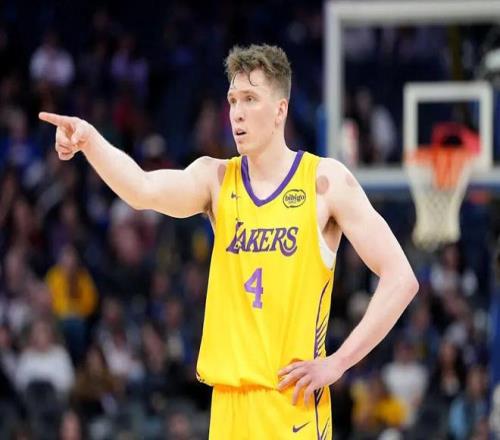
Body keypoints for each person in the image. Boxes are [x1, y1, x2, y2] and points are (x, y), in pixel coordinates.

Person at [39, 44, 419, 439]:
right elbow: (141, 189)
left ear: (280, 110)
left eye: (250, 99)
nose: (236, 112)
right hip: (228, 405)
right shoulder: (216, 179)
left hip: (291, 405)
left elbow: (401, 278)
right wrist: (90, 141)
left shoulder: (325, 182)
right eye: (233, 100)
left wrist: (338, 363)